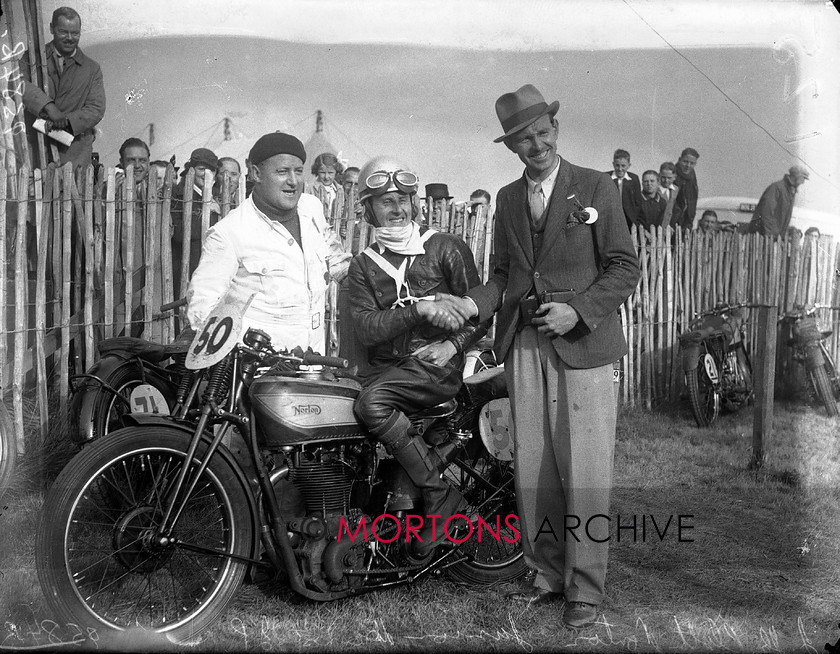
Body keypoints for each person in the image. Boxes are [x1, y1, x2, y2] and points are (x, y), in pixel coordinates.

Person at [429, 84, 639, 628]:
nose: (536, 145)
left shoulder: (595, 187)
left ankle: (586, 589)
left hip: (583, 346)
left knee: (585, 469)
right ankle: (546, 576)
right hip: (524, 344)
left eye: (542, 132)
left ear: (555, 130)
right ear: (511, 147)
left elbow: (624, 266)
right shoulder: (506, 199)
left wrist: (580, 311)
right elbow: (503, 276)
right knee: (534, 468)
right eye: (524, 139)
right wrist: (470, 302)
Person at [347, 156, 487, 559]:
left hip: (434, 369)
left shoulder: (445, 247)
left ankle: (441, 498)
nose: (396, 209)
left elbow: (479, 312)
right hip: (387, 370)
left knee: (372, 405)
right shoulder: (362, 266)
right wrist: (419, 310)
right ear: (368, 209)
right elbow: (366, 328)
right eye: (384, 201)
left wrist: (453, 346)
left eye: (402, 200)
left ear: (415, 203)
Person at [187, 133, 350, 352]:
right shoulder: (229, 233)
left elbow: (334, 256)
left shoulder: (311, 209)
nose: (293, 181)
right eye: (282, 171)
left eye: (299, 171)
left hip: (314, 362)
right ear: (256, 173)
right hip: (262, 371)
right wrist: (245, 349)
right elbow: (202, 308)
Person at [22, 6, 106, 172]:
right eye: (63, 32)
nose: (69, 38)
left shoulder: (91, 69)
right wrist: (48, 107)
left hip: (74, 152)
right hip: (37, 148)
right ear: (52, 29)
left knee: (73, 196)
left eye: (75, 33)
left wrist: (66, 120)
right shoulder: (32, 58)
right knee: (36, 194)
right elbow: (18, 84)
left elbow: (96, 108)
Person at [171, 148, 221, 296]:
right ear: (191, 169)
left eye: (211, 170)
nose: (206, 174)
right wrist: (207, 214)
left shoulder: (218, 195)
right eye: (201, 169)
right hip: (187, 267)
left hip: (213, 267)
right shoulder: (178, 194)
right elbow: (178, 232)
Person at [746, 165, 810, 237]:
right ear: (796, 176)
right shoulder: (776, 188)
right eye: (803, 178)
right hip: (763, 237)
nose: (803, 182)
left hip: (774, 237)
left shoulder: (790, 191)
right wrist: (771, 236)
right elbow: (766, 213)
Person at [606, 149, 642, 229]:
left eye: (623, 166)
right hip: (612, 216)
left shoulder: (634, 179)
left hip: (629, 218)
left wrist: (634, 217)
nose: (620, 169)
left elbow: (638, 201)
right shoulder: (606, 177)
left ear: (629, 165)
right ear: (613, 164)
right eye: (617, 165)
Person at [672, 148, 700, 229]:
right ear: (679, 160)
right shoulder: (670, 174)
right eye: (685, 161)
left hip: (685, 224)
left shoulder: (692, 178)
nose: (688, 166)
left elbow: (692, 204)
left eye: (692, 163)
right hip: (670, 222)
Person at [310, 152, 344, 219]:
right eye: (322, 173)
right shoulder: (311, 189)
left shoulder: (339, 189)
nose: (326, 177)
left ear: (336, 172)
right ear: (317, 172)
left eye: (330, 173)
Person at [657, 162, 680, 228]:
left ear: (674, 177)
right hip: (656, 225)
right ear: (659, 175)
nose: (666, 180)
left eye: (669, 178)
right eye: (663, 177)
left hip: (670, 226)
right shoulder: (654, 189)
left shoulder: (676, 189)